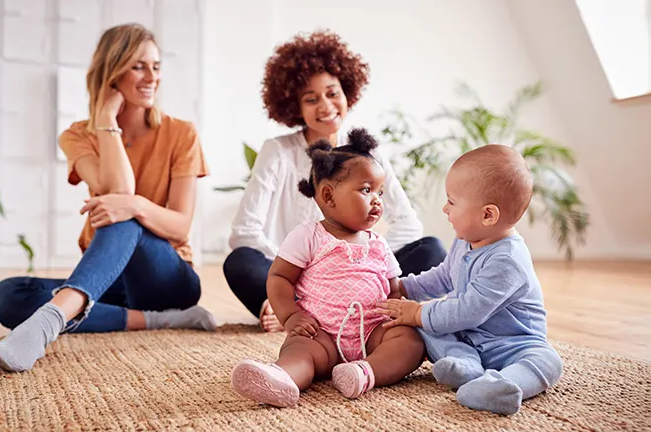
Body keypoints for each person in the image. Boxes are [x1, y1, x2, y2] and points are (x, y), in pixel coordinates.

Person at [0, 23, 216, 373]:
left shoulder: (181, 133)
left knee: (121, 213)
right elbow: (117, 191)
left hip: (167, 278)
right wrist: (107, 119)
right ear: (112, 72)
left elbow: (179, 224)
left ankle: (48, 323)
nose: (151, 76)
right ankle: (158, 321)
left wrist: (136, 205)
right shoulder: (78, 135)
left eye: (156, 66)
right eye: (138, 66)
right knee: (6, 295)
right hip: (110, 282)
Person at [224, 30, 446, 332]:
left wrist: (363, 260)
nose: (326, 106)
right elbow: (244, 233)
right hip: (293, 274)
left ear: (347, 92)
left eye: (332, 93)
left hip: (357, 276)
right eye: (311, 99)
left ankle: (306, 307)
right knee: (239, 262)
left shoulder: (367, 152)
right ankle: (294, 303)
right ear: (295, 106)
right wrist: (302, 269)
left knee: (430, 249)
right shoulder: (277, 151)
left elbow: (409, 225)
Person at [231, 129, 425, 407]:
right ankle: (282, 377)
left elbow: (394, 289)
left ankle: (365, 372)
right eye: (367, 190)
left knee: (410, 342)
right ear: (328, 195)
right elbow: (279, 278)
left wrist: (400, 313)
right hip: (320, 333)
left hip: (372, 333)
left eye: (380, 192)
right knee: (300, 350)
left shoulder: (379, 244)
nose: (377, 200)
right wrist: (291, 317)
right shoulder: (309, 235)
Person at [377, 145, 564, 415]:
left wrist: (417, 312)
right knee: (423, 328)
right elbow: (443, 277)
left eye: (452, 202)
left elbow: (468, 311)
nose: (445, 208)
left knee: (547, 360)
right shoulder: (466, 241)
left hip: (512, 344)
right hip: (469, 338)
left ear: (488, 215)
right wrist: (404, 287)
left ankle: (503, 385)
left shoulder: (507, 259)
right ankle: (464, 365)